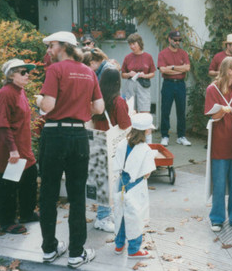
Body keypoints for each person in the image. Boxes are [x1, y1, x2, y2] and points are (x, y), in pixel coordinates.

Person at [37, 31, 104, 269]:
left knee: (48, 193)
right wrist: (77, 105)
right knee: (77, 196)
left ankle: (49, 248)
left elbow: (48, 105)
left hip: (54, 134)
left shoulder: (54, 70)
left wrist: (38, 100)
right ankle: (76, 253)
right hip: (78, 134)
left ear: (63, 46)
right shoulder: (89, 72)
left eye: (51, 45)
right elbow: (99, 107)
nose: (48, 50)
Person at [0, 59, 38, 235]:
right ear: (11, 75)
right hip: (10, 152)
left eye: (27, 72)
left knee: (30, 178)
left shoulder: (20, 91)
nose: (27, 75)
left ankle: (26, 213)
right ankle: (7, 222)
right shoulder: (5, 94)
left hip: (24, 149)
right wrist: (12, 149)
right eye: (22, 72)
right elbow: (2, 124)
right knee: (8, 186)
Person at [205, 57, 232, 232]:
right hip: (220, 141)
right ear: (229, 71)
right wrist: (223, 110)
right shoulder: (212, 89)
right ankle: (217, 218)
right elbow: (212, 115)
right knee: (220, 182)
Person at [90, 68, 132, 233]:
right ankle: (102, 217)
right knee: (112, 180)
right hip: (113, 144)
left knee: (102, 181)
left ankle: (103, 214)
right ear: (117, 82)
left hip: (98, 140)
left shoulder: (98, 101)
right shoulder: (118, 101)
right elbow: (124, 124)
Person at [112, 113, 156, 259]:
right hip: (136, 185)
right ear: (147, 130)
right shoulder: (146, 150)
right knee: (136, 216)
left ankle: (119, 245)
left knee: (120, 213)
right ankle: (134, 249)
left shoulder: (121, 144)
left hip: (121, 183)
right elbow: (147, 173)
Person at [157, 30, 191, 147]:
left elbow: (187, 68)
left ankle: (181, 136)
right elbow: (163, 70)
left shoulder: (183, 53)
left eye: (179, 40)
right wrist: (178, 69)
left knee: (181, 110)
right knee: (165, 110)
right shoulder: (163, 54)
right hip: (168, 84)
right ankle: (165, 136)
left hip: (180, 84)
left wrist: (171, 67)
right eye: (175, 40)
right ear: (169, 39)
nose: (177, 42)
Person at [121, 33, 155, 123]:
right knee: (131, 111)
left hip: (144, 85)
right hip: (130, 86)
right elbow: (123, 74)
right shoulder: (127, 58)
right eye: (130, 44)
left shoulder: (148, 57)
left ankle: (147, 136)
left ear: (139, 43)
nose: (132, 46)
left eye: (134, 44)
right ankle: (133, 135)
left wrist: (145, 75)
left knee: (145, 114)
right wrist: (129, 74)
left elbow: (152, 73)